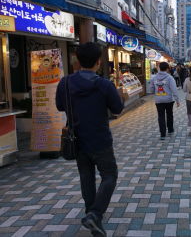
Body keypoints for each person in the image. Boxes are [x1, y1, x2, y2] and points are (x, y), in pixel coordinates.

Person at [56, 42, 124, 237]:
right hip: (100, 139)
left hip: (77, 138)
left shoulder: (66, 83)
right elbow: (118, 109)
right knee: (109, 175)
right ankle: (95, 214)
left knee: (86, 177)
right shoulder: (104, 84)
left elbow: (61, 106)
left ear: (77, 60)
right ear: (98, 62)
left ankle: (91, 215)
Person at [151, 62, 180, 139]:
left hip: (158, 100)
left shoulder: (154, 78)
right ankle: (170, 130)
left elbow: (151, 89)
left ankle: (162, 134)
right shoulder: (170, 78)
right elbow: (174, 90)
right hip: (169, 100)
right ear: (167, 69)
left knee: (161, 116)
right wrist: (177, 100)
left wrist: (156, 93)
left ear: (159, 68)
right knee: (169, 114)